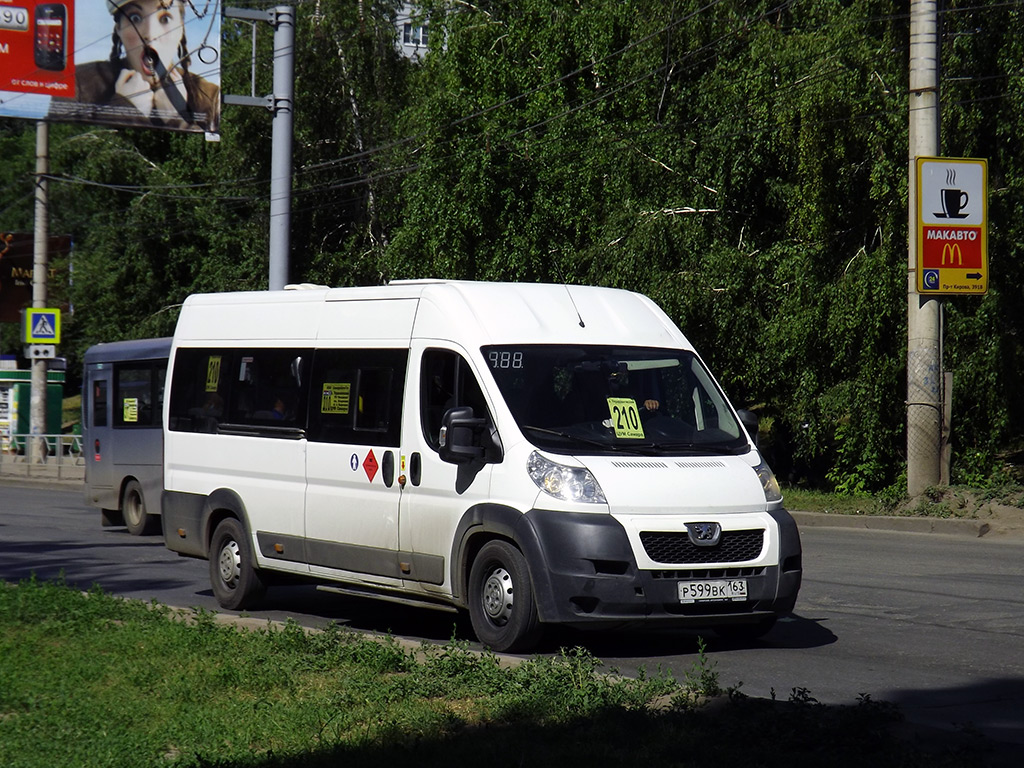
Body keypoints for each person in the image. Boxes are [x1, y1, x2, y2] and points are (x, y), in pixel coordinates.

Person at [48, 0, 219, 132]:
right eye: (135, 18)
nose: (150, 34)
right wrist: (123, 108)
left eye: (165, 18)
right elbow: (62, 157)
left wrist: (177, 119)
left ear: (181, 29)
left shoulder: (210, 96)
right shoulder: (76, 82)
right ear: (119, 29)